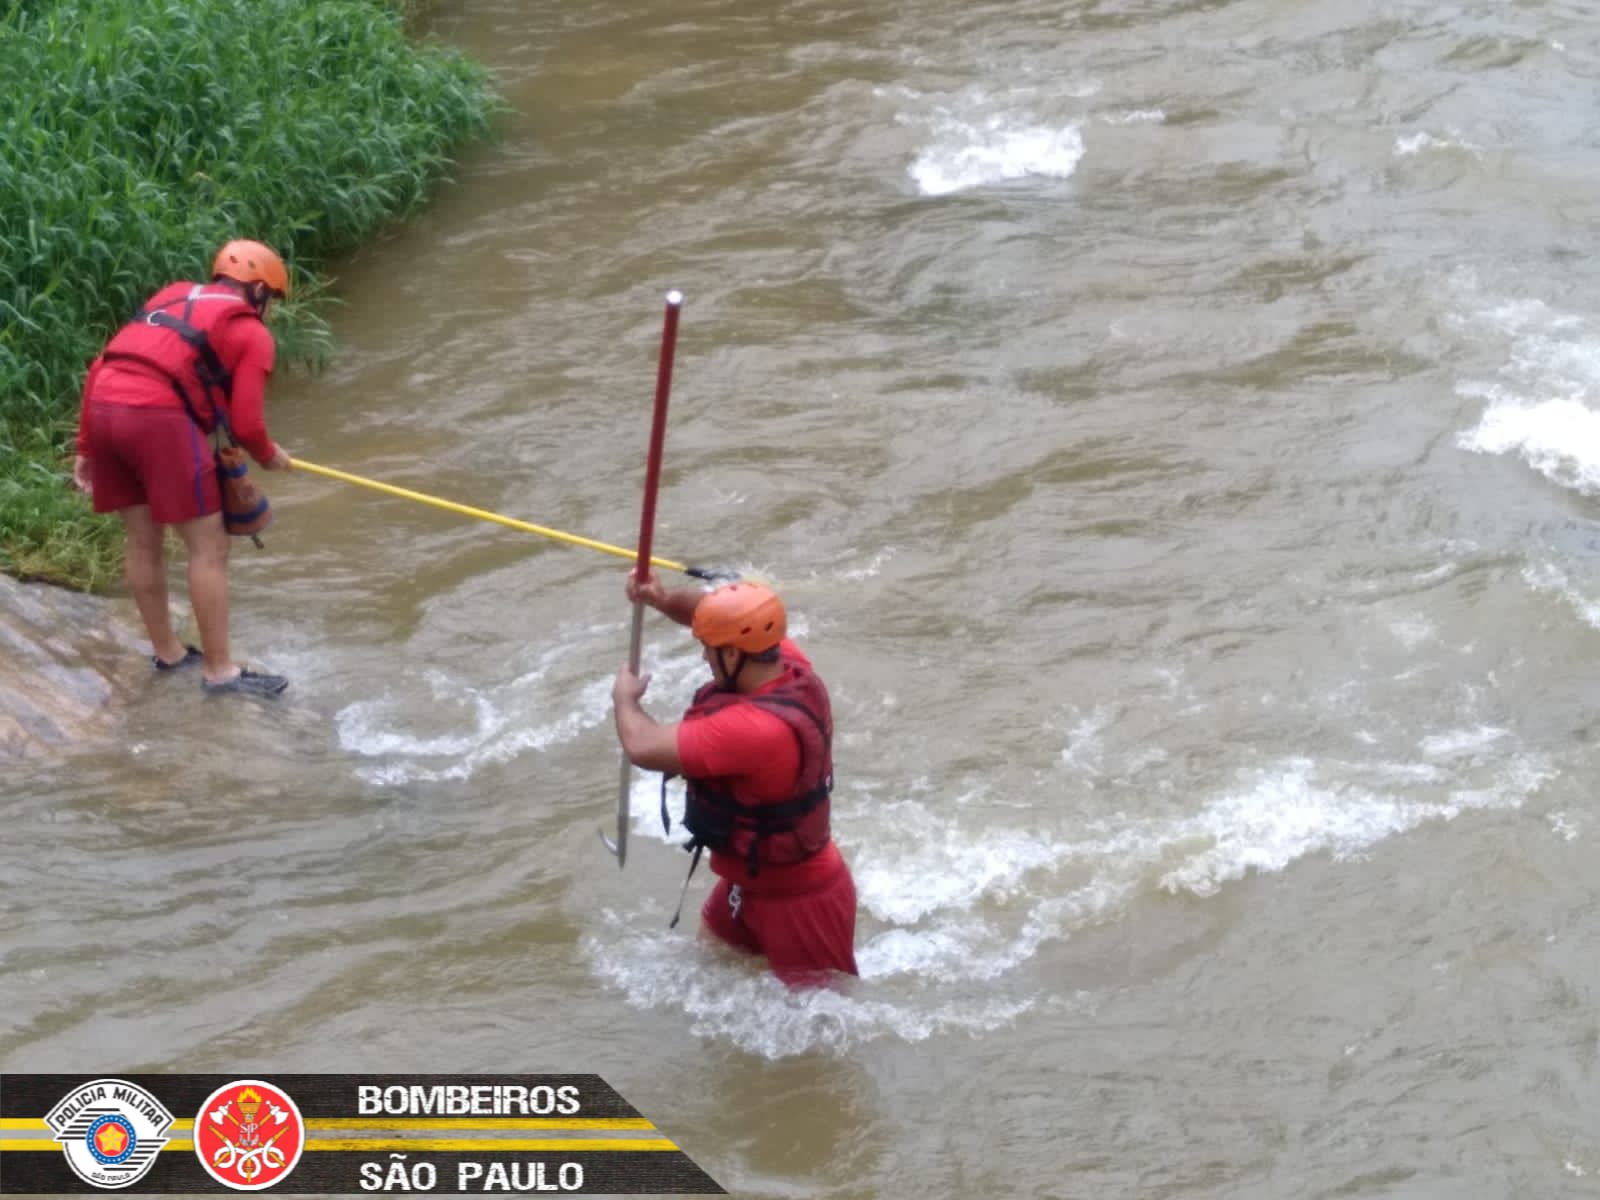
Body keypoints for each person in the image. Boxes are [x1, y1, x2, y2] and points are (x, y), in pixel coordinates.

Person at [612, 573, 859, 987]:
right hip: (749, 881)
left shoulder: (751, 731)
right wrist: (661, 597)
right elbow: (706, 612)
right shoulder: (786, 663)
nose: (704, 657)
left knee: (813, 1036)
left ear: (732, 654)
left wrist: (624, 700)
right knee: (709, 974)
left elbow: (641, 745)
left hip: (802, 900)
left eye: (709, 649)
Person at [72, 240, 294, 696]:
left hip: (104, 408)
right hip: (159, 421)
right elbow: (249, 423)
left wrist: (86, 444)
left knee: (142, 539)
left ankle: (169, 653)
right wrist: (270, 455)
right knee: (208, 547)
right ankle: (220, 672)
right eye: (270, 298)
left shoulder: (168, 298)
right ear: (256, 290)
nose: (268, 308)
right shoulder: (252, 333)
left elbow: (104, 362)